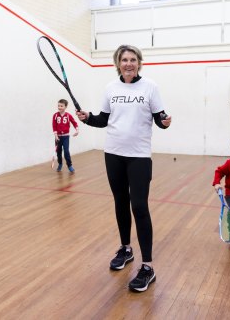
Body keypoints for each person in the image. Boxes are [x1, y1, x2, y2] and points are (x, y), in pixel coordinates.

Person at [76, 44, 171, 293]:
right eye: (124, 59)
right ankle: (126, 249)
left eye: (132, 59)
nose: (128, 63)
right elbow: (104, 120)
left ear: (139, 62)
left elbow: (160, 119)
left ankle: (148, 267)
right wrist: (88, 118)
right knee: (120, 202)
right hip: (113, 154)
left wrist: (165, 122)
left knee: (139, 206)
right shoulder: (111, 88)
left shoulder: (150, 87)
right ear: (117, 63)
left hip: (139, 157)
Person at [52, 99, 79, 173]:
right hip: (58, 137)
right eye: (58, 106)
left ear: (65, 106)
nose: (59, 107)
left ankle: (69, 165)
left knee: (66, 151)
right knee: (58, 152)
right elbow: (54, 126)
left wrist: (77, 130)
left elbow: (74, 122)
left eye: (61, 106)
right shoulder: (55, 115)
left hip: (66, 137)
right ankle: (60, 164)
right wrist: (56, 135)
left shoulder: (68, 115)